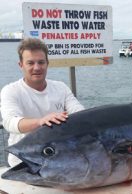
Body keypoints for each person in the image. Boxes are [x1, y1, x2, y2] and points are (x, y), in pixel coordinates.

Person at [0, 38, 84, 167]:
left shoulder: (61, 87)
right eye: (30, 63)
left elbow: (79, 112)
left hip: (62, 159)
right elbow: (11, 122)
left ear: (47, 63)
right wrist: (41, 121)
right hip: (25, 163)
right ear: (21, 65)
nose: (37, 67)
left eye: (41, 62)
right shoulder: (10, 91)